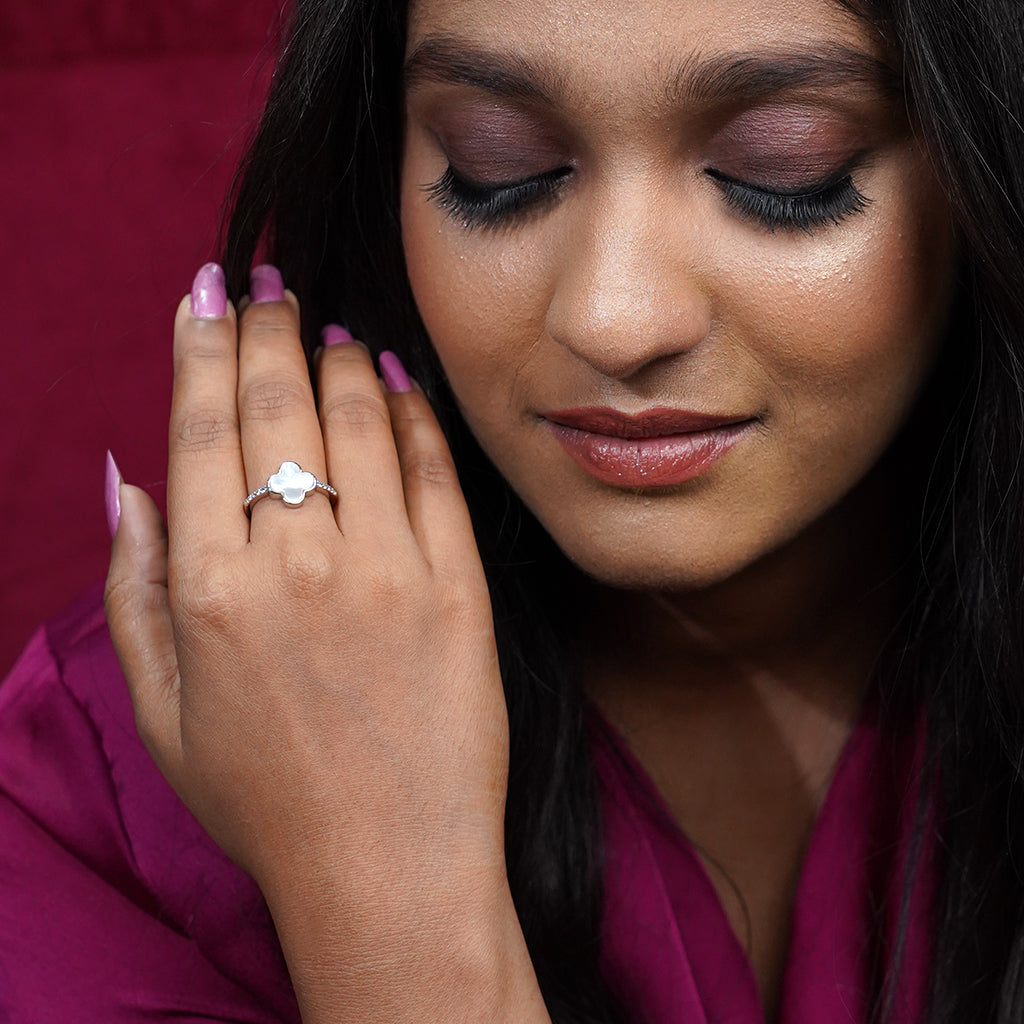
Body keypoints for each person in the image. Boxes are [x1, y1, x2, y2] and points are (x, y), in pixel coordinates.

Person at [2, 0, 1023, 1020]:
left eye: (783, 169)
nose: (612, 318)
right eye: (499, 168)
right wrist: (382, 897)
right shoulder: (114, 782)